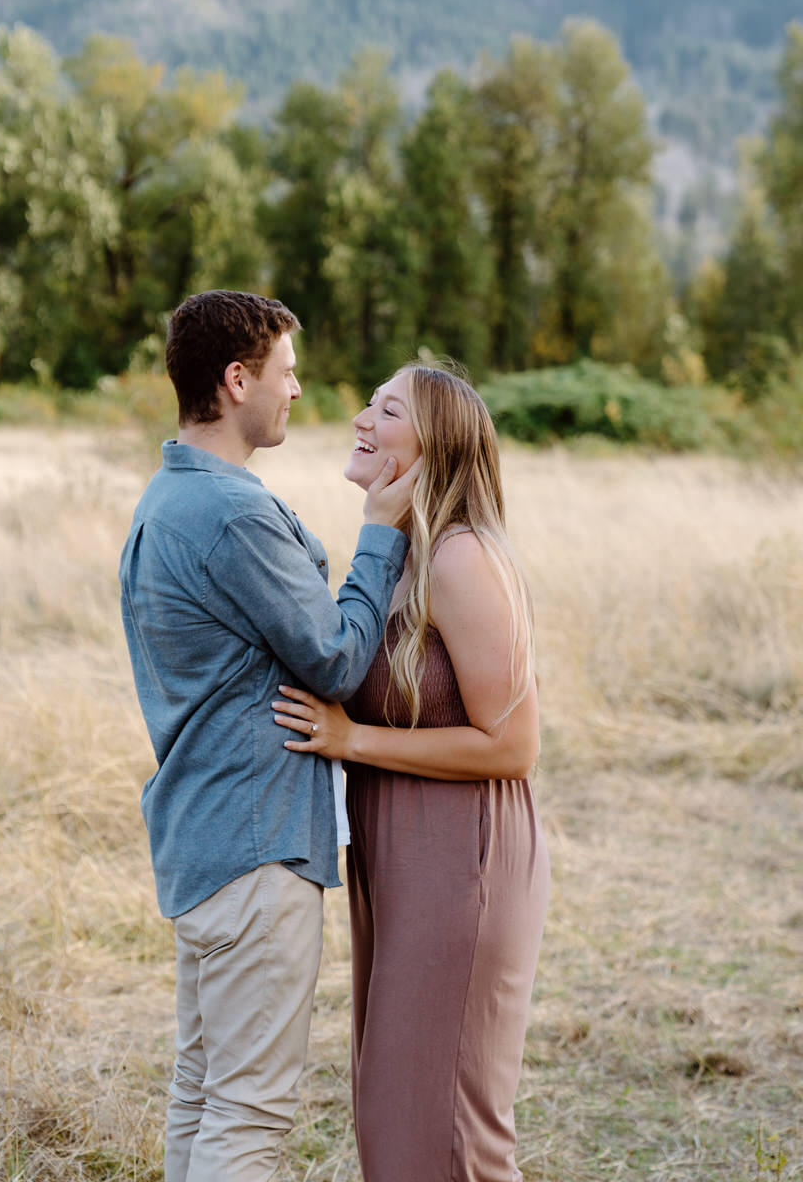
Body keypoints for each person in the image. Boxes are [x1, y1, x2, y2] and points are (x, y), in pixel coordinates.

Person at [118, 290, 418, 1182]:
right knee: (248, 1118)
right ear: (237, 378)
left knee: (203, 1094)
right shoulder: (231, 513)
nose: (296, 390)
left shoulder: (165, 498)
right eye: (285, 373)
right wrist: (380, 538)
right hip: (255, 851)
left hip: (202, 843)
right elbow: (333, 660)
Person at [273, 363, 550, 1182]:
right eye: (371, 399)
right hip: (398, 855)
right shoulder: (400, 553)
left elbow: (512, 746)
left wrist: (349, 740)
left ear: (437, 445)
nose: (361, 415)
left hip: (462, 858)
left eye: (388, 409)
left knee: (445, 1132)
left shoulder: (462, 558)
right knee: (396, 1119)